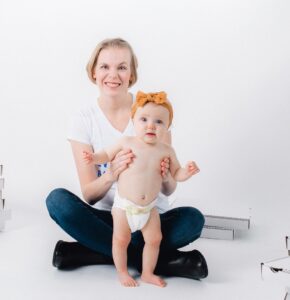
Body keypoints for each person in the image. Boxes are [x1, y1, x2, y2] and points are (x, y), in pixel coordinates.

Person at [45, 38, 208, 283]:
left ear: (131, 74)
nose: (113, 75)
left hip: (151, 215)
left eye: (122, 67)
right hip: (110, 218)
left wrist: (166, 177)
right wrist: (111, 174)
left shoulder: (152, 113)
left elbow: (170, 187)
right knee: (58, 202)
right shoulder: (83, 119)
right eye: (104, 67)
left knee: (193, 219)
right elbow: (89, 195)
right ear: (93, 72)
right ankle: (161, 261)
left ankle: (93, 251)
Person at [83, 91, 200, 287]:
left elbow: (176, 173)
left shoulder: (167, 150)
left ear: (168, 126)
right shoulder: (126, 142)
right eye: (144, 119)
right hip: (124, 207)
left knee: (154, 239)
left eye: (159, 122)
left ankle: (147, 272)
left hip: (149, 209)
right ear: (133, 121)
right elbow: (106, 154)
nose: (151, 126)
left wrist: (185, 173)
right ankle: (122, 272)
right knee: (121, 239)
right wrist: (94, 158)